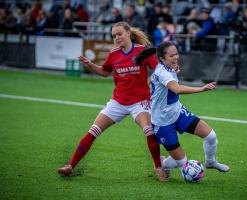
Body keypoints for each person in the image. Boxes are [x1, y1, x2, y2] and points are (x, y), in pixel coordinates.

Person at [57, 21, 168, 181]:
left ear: (128, 33)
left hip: (139, 102)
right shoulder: (114, 53)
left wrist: (155, 79)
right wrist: (91, 65)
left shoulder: (142, 51)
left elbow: (159, 70)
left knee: (148, 130)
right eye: (114, 35)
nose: (117, 38)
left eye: (119, 34)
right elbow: (104, 72)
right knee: (93, 131)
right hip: (118, 101)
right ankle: (70, 166)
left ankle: (158, 167)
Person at [142, 42, 230, 178]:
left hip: (177, 112)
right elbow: (177, 89)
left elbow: (151, 81)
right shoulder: (163, 72)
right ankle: (163, 163)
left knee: (211, 136)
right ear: (162, 58)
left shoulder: (165, 68)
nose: (176, 57)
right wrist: (201, 88)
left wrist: (171, 75)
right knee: (180, 162)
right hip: (162, 123)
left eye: (176, 53)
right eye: (172, 55)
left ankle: (211, 162)